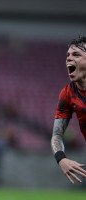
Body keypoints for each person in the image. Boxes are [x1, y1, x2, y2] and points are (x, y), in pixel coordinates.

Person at [51, 35, 86, 184]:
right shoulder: (67, 94)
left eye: (76, 54)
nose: (69, 58)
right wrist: (61, 158)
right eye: (68, 55)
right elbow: (57, 135)